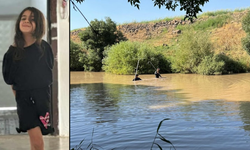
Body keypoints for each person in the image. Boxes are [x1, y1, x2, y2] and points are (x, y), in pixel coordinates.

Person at [2, 7, 54, 150]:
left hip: (43, 98)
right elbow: (10, 81)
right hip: (24, 99)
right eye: (24, 18)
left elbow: (49, 73)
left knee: (37, 141)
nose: (26, 21)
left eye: (32, 19)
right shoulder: (12, 53)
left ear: (39, 24)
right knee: (37, 142)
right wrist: (21, 99)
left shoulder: (44, 48)